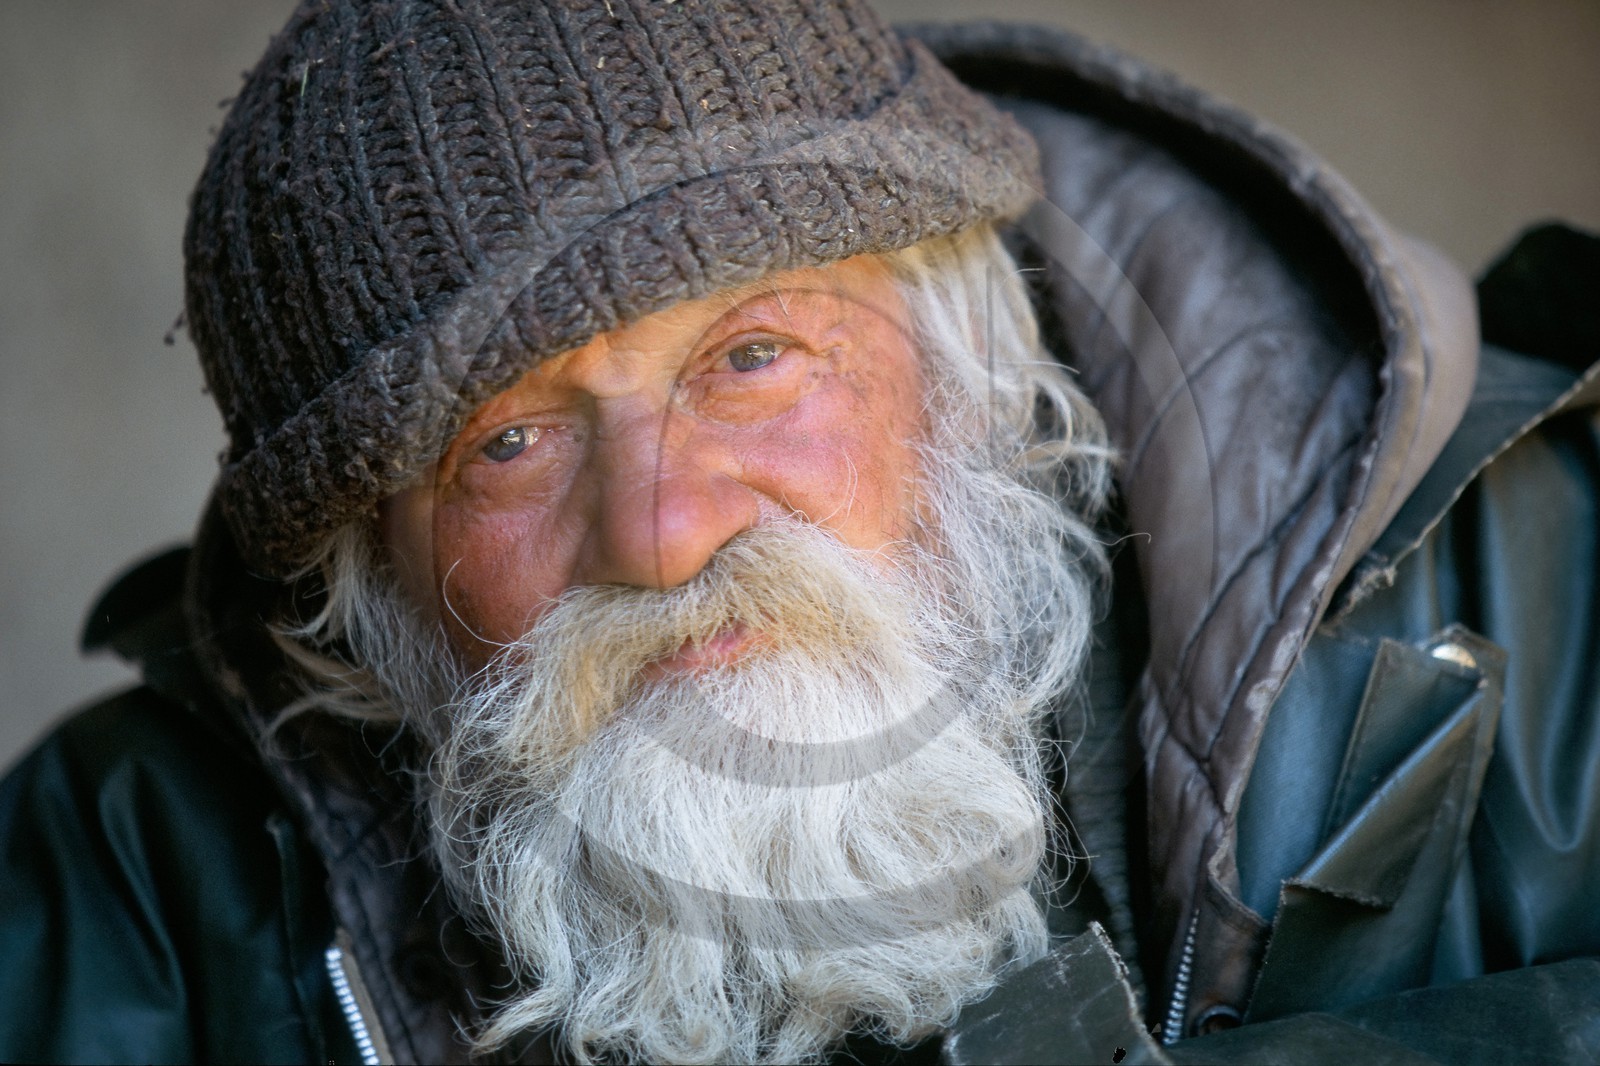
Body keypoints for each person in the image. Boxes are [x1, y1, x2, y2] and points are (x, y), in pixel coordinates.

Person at [3, 1, 1598, 1063]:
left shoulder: (1534, 566)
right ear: (371, 581)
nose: (665, 528)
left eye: (750, 357)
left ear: (970, 353)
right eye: (506, 440)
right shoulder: (125, 886)